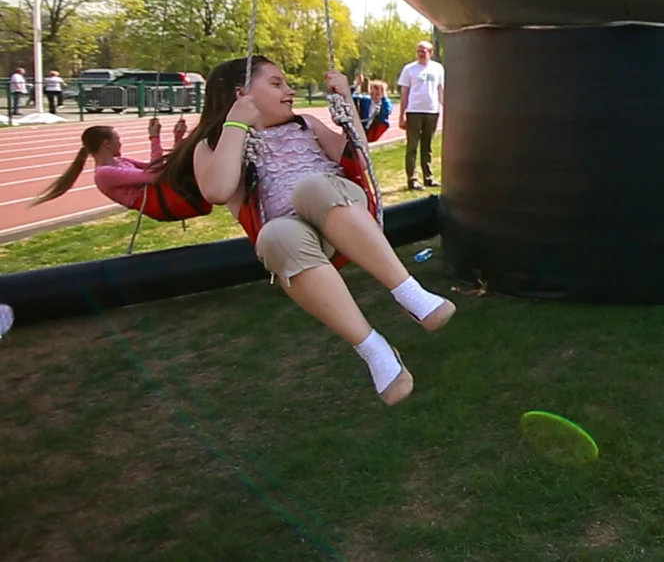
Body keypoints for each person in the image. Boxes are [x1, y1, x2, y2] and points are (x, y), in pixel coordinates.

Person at [154, 55, 455, 406]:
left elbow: (359, 157)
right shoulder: (216, 147)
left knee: (311, 189)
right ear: (241, 94)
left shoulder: (306, 125)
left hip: (342, 208)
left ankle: (411, 295)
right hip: (303, 239)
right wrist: (236, 126)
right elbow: (218, 190)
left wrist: (345, 100)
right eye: (277, 83)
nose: (290, 91)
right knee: (275, 236)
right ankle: (375, 351)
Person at [31, 118, 189, 210]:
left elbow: (164, 167)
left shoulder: (122, 161)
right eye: (117, 140)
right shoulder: (104, 174)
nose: (120, 143)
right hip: (161, 204)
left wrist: (178, 138)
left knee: (186, 166)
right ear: (106, 144)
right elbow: (153, 175)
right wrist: (154, 137)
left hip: (165, 197)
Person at [397, 41, 445, 190]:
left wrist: (446, 110)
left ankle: (428, 177)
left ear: (431, 52)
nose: (421, 54)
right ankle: (412, 180)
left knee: (427, 146)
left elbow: (441, 90)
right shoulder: (409, 69)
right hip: (414, 111)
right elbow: (404, 94)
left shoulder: (438, 68)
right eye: (419, 51)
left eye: (424, 51)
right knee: (412, 147)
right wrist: (401, 115)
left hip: (432, 111)